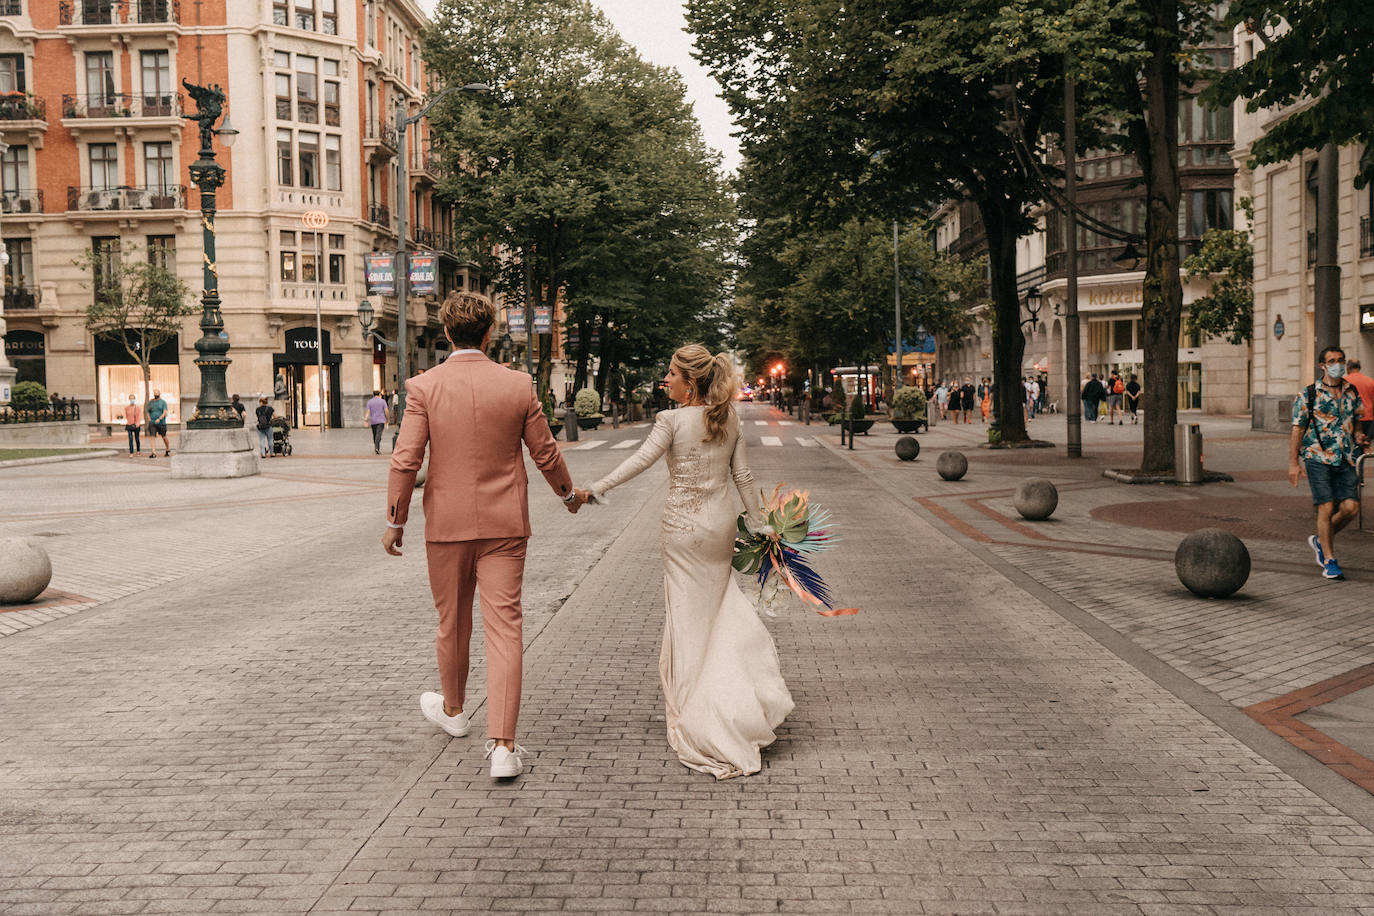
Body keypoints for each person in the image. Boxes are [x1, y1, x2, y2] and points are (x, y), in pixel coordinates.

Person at [383, 292, 580, 779]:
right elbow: (546, 454)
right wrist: (568, 495)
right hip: (505, 525)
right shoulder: (518, 385)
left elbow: (406, 459)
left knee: (452, 622)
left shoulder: (424, 387)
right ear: (490, 333)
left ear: (448, 333)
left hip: (446, 526)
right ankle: (503, 748)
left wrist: (395, 519)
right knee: (505, 628)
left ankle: (453, 712)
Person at [573, 344, 792, 780]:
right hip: (720, 527)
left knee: (688, 622)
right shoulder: (727, 417)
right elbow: (743, 478)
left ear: (689, 383)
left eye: (671, 374)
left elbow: (639, 462)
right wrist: (765, 526)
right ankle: (734, 701)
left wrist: (593, 488)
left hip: (682, 531)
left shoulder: (671, 420)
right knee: (716, 612)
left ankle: (701, 714)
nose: (665, 380)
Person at [1291, 345, 1368, 581]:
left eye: (1341, 360)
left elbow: (1357, 423)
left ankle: (1320, 540)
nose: (1338, 364)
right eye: (1332, 360)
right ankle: (1330, 560)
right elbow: (1297, 429)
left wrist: (1360, 438)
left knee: (1350, 509)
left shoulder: (1352, 391)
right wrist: (1293, 463)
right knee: (1325, 507)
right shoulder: (1308, 394)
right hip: (1317, 456)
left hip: (1345, 458)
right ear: (1322, 365)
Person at [1344, 359, 1374, 447]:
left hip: (1350, 419)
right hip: (1367, 418)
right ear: (1360, 367)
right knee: (1363, 446)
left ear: (1348, 367)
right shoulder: (1370, 381)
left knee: (1350, 446)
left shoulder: (1344, 382)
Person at [146, 389, 171, 457]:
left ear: (159, 394)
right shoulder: (151, 402)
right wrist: (149, 419)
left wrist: (160, 419)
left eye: (157, 393)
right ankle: (153, 452)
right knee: (152, 437)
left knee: (164, 436)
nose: (156, 395)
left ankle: (167, 448)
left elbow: (165, 412)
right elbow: (147, 411)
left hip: (161, 422)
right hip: (152, 422)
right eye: (154, 393)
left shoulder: (163, 402)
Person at [364, 390, 390, 454]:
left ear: (373, 395)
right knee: (378, 434)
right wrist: (388, 419)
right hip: (381, 420)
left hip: (373, 421)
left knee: (375, 434)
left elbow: (368, 412)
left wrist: (365, 419)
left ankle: (376, 447)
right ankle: (377, 447)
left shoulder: (369, 402)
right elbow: (386, 410)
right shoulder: (383, 401)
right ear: (379, 395)